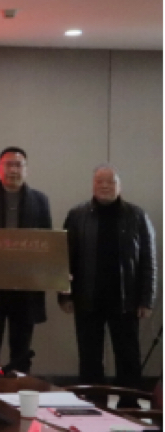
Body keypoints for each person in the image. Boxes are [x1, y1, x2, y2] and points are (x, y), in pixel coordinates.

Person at [60, 165, 156, 402]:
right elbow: (64, 258)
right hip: (87, 298)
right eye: (99, 181)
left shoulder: (137, 215)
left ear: (119, 185)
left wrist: (146, 299)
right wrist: (65, 295)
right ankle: (95, 404)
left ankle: (129, 405)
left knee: (128, 357)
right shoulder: (77, 215)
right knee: (89, 358)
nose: (104, 186)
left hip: (126, 300)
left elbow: (149, 260)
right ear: (93, 184)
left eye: (110, 181)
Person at [0, 146, 51, 371]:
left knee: (21, 351)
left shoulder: (40, 200)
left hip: (26, 288)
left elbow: (47, 244)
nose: (13, 170)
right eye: (8, 165)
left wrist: (51, 274)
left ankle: (19, 391)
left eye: (18, 165)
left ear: (26, 170)